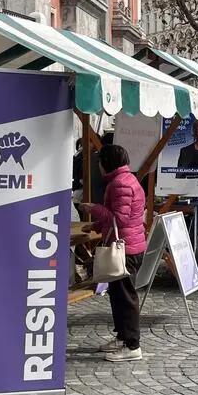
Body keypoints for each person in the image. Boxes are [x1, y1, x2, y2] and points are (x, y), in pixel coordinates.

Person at [78, 144, 146, 362]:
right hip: (127, 244)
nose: (97, 165)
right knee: (118, 295)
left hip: (125, 248)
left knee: (126, 297)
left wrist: (93, 209)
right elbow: (118, 218)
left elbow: (121, 218)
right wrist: (97, 226)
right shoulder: (126, 180)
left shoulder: (119, 184)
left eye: (99, 161)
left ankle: (132, 345)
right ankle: (122, 337)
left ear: (107, 163)